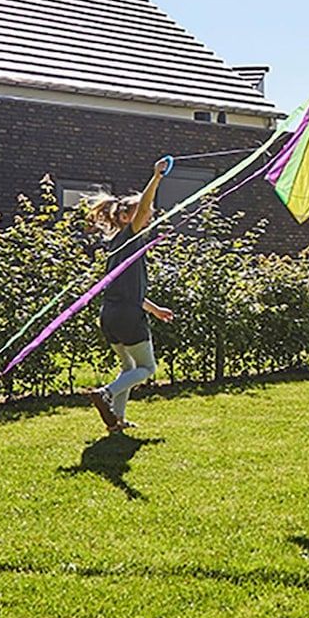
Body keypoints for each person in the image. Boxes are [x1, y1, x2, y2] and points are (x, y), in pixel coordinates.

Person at [85, 159, 176, 433]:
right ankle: (105, 394)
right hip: (127, 317)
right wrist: (157, 177)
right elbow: (145, 206)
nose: (149, 216)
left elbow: (127, 290)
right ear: (126, 217)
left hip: (110, 316)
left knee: (128, 369)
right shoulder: (130, 237)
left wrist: (154, 309)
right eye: (144, 213)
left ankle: (117, 421)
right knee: (147, 368)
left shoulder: (117, 245)